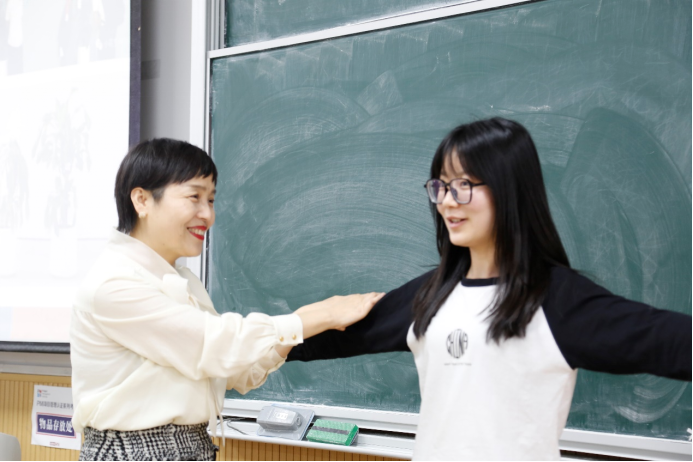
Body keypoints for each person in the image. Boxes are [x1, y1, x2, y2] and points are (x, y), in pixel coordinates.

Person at [289, 118, 692, 461]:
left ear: (509, 189)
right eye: (441, 186)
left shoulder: (556, 300)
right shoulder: (430, 295)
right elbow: (327, 340)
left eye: (463, 185)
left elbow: (663, 340)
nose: (447, 202)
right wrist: (267, 339)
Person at [70, 138, 383, 461]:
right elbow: (214, 343)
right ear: (142, 200)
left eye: (211, 200)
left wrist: (297, 331)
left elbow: (233, 372)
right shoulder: (113, 283)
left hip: (193, 446)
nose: (208, 215)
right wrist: (313, 317)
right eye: (194, 197)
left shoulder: (183, 281)